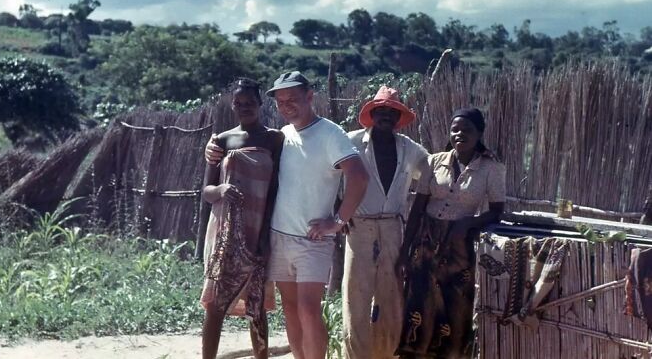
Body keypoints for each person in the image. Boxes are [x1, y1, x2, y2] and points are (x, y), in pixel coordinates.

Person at [206, 71, 369, 359]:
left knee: (308, 309)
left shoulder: (330, 133)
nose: (287, 105)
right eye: (281, 101)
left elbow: (358, 176)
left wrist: (338, 221)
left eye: (293, 98)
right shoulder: (283, 136)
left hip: (312, 238)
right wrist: (210, 149)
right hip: (279, 237)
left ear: (309, 96)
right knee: (291, 311)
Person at [395, 107, 506, 359]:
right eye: (455, 129)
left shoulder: (491, 168)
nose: (459, 134)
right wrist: (405, 251)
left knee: (455, 305)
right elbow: (417, 210)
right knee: (418, 301)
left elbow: (497, 211)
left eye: (466, 130)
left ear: (479, 133)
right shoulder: (433, 162)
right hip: (426, 243)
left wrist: (470, 222)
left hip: (460, 245)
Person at [343, 86, 430, 359]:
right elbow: (326, 176)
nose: (385, 116)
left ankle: (387, 354)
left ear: (397, 117)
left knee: (391, 298)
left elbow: (431, 175)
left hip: (393, 227)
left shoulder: (410, 150)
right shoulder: (351, 143)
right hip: (358, 226)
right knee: (355, 298)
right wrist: (338, 210)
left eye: (391, 112)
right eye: (380, 110)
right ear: (371, 114)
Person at [200, 78, 284, 359]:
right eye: (239, 103)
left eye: (250, 102)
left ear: (260, 104)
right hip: (225, 232)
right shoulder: (222, 140)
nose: (244, 107)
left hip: (258, 227)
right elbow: (206, 192)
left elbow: (274, 190)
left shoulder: (274, 139)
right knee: (216, 304)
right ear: (232, 105)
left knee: (256, 305)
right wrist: (221, 189)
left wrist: (265, 236)